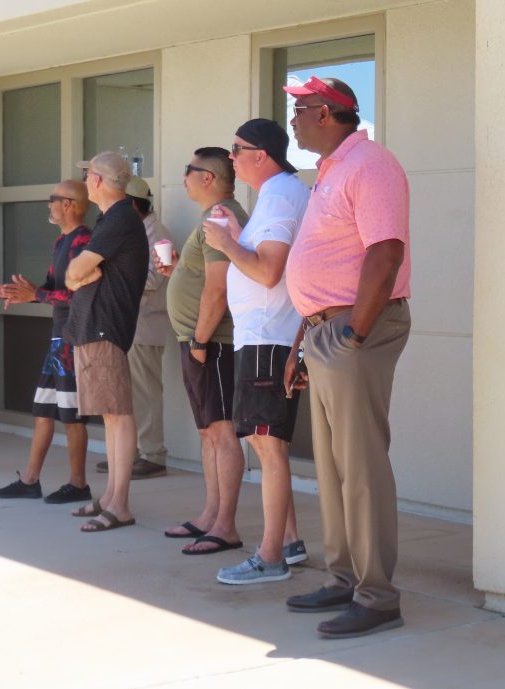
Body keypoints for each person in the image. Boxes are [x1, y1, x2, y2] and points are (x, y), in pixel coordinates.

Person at [281, 76, 411, 638]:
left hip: (355, 328)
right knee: (332, 467)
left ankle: (377, 595)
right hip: (324, 331)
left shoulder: (371, 164)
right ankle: (342, 578)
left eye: (301, 109)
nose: (294, 119)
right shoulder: (331, 171)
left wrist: (353, 334)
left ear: (330, 114)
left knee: (360, 465)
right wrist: (303, 342)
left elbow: (386, 252)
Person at [202, 119, 310, 584]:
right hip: (264, 336)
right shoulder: (276, 195)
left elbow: (268, 272)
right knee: (268, 446)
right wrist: (234, 235)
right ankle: (288, 543)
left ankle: (270, 558)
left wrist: (226, 243)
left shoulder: (282, 195)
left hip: (269, 337)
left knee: (268, 447)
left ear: (261, 155)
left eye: (237, 149)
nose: (231, 157)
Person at [159, 147, 249, 555]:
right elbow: (205, 275)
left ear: (208, 177)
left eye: (188, 171)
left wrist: (199, 339)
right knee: (208, 431)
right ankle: (209, 516)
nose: (184, 179)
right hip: (201, 341)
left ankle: (225, 525)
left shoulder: (220, 216)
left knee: (222, 430)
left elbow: (219, 286)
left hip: (214, 342)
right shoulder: (213, 218)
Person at [0, 180, 92, 504]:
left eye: (53, 200)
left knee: (71, 414)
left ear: (69, 204)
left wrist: (35, 294)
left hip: (72, 338)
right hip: (58, 339)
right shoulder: (62, 240)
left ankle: (79, 485)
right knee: (43, 410)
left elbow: (77, 293)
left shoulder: (83, 241)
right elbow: (53, 289)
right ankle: (30, 480)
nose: (48, 205)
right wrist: (28, 294)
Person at [66, 151, 149, 532]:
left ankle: (120, 504)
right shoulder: (111, 219)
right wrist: (78, 276)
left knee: (117, 414)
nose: (85, 182)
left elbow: (77, 270)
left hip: (105, 328)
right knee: (111, 416)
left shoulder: (119, 218)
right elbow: (74, 276)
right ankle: (112, 498)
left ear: (98, 180)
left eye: (87, 176)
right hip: (95, 327)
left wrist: (79, 275)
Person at [95, 176, 172, 480]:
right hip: (124, 324)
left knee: (145, 393)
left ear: (130, 203)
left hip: (144, 325)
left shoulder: (157, 232)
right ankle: (133, 453)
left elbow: (154, 279)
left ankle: (153, 456)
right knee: (125, 395)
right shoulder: (134, 228)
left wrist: (109, 273)